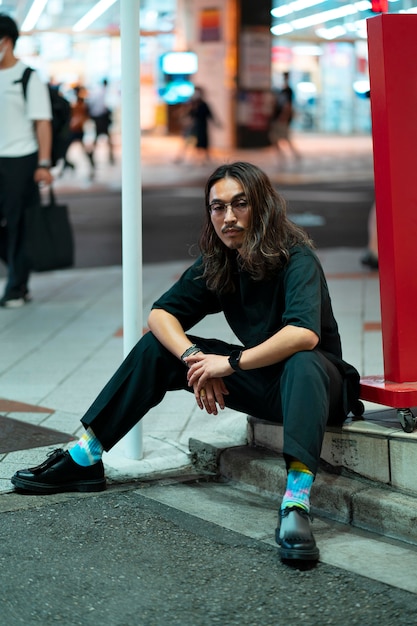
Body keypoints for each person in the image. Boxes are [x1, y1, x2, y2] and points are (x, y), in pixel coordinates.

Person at [11, 161, 360, 563]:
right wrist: (196, 359)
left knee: (302, 360)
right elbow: (161, 314)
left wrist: (227, 364)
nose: (228, 217)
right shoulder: (222, 260)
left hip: (321, 388)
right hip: (266, 383)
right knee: (158, 346)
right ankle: (86, 456)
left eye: (240, 204)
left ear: (261, 207)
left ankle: (296, 503)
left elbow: (303, 334)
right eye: (217, 207)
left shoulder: (296, 257)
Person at [0, 13, 52, 308]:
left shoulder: (28, 77)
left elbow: (42, 122)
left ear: (6, 42)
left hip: (21, 159)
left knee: (18, 223)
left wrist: (43, 163)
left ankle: (16, 287)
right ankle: (20, 269)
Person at [269, 71, 301, 164]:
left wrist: (284, 117)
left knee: (283, 138)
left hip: (281, 119)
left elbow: (288, 106)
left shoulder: (288, 91)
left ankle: (292, 156)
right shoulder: (282, 91)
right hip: (278, 118)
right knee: (277, 138)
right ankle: (285, 156)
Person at [63, 85, 94, 179]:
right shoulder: (74, 103)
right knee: (66, 151)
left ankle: (91, 167)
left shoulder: (82, 104)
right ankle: (69, 166)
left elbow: (86, 117)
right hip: (74, 130)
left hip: (80, 130)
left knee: (85, 151)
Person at [188, 86, 220, 164]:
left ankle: (206, 157)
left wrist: (216, 123)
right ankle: (196, 157)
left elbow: (210, 114)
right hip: (194, 126)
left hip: (203, 125)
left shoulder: (204, 104)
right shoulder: (193, 104)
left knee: (204, 140)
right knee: (192, 141)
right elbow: (189, 115)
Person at [87, 78, 114, 165]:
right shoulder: (104, 92)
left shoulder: (97, 92)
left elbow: (90, 104)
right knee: (105, 138)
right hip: (101, 118)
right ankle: (109, 157)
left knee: (98, 138)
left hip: (97, 118)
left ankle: (94, 155)